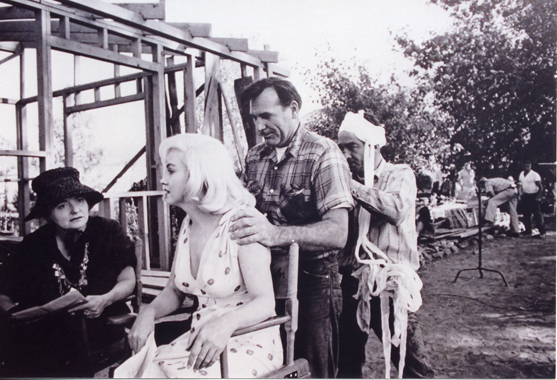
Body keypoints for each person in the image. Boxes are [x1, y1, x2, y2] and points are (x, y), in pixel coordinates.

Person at [117, 133, 282, 378]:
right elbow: (174, 291)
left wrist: (226, 323)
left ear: (199, 173)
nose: (162, 180)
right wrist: (147, 313)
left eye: (171, 171)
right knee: (138, 373)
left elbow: (265, 302)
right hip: (200, 344)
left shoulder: (242, 222)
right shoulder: (188, 223)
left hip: (246, 343)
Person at [229, 78, 353, 378]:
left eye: (266, 116)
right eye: (254, 118)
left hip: (312, 285)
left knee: (312, 369)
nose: (259, 126)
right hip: (263, 284)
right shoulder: (255, 157)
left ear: (293, 109)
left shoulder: (324, 153)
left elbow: (338, 233)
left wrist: (275, 234)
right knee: (268, 366)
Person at [0, 167, 137, 377]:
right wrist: (12, 313)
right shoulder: (34, 244)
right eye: (62, 205)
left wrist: (106, 299)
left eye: (80, 200)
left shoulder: (107, 231)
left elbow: (128, 279)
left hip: (99, 323)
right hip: (44, 330)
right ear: (48, 213)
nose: (75, 210)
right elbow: (5, 290)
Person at [336, 111, 434, 378]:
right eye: (341, 148)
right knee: (346, 362)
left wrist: (350, 186)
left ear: (372, 145)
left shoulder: (399, 174)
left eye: (352, 146)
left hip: (390, 284)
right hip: (352, 283)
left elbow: (395, 209)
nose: (345, 155)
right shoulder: (345, 182)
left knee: (413, 365)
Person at [518, 160, 546, 238]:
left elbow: (540, 187)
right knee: (526, 214)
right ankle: (528, 231)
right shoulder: (521, 174)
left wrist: (538, 197)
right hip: (525, 196)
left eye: (528, 165)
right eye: (525, 165)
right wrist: (520, 194)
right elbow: (520, 185)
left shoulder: (535, 174)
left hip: (534, 195)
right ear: (522, 165)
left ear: (530, 165)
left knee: (537, 214)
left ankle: (542, 231)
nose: (526, 166)